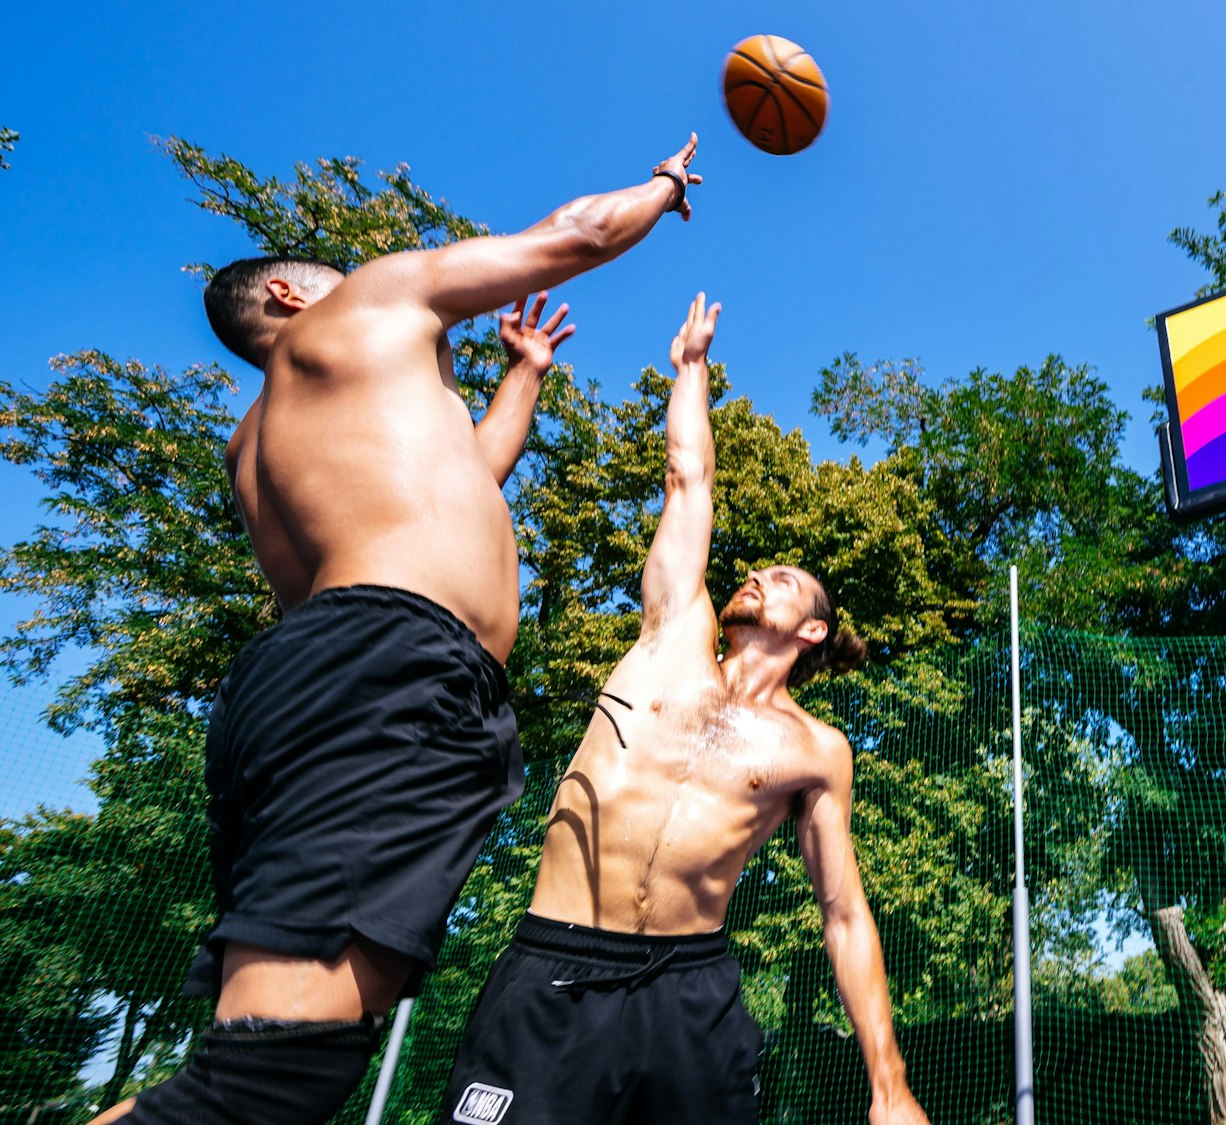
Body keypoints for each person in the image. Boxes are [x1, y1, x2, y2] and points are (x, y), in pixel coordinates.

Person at [93, 137, 707, 1125]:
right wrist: (662, 187)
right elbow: (578, 234)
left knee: (283, 1066)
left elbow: (461, 483)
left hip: (325, 679)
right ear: (293, 298)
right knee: (263, 1077)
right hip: (385, 670)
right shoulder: (367, 301)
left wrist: (525, 374)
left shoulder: (257, 442)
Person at [439, 294, 930, 1125]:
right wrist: (692, 369)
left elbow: (844, 911)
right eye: (754, 569)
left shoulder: (817, 750)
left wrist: (890, 1085)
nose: (754, 575)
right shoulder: (674, 630)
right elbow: (688, 477)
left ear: (812, 628)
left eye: (779, 579)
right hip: (554, 965)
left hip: (688, 989)